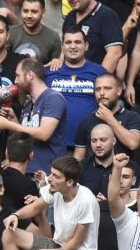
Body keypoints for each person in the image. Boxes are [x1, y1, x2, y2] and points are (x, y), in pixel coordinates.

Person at [0, 58, 68, 175]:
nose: (15, 81)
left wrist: (9, 125)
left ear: (30, 75)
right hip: (27, 169)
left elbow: (44, 134)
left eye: (18, 76)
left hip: (48, 173)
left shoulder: (53, 98)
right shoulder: (29, 103)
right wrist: (14, 121)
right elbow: (28, 134)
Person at [43, 28, 105, 158]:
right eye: (68, 42)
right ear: (62, 46)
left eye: (77, 42)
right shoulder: (49, 71)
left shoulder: (100, 72)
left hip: (89, 145)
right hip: (53, 144)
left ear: (86, 46)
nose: (73, 46)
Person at [60, 0, 123, 73]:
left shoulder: (107, 15)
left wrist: (97, 80)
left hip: (95, 79)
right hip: (69, 80)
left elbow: (114, 53)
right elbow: (64, 52)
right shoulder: (69, 17)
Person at [74, 73, 140, 160]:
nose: (101, 93)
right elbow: (78, 157)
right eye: (98, 89)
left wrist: (110, 119)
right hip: (93, 168)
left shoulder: (132, 116)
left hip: (123, 168)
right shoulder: (87, 120)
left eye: (107, 88)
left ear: (119, 91)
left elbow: (133, 144)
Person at [9, 0, 62, 64]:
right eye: (25, 11)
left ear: (43, 13)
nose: (29, 16)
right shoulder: (10, 34)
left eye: (34, 12)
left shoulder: (53, 37)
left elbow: (54, 67)